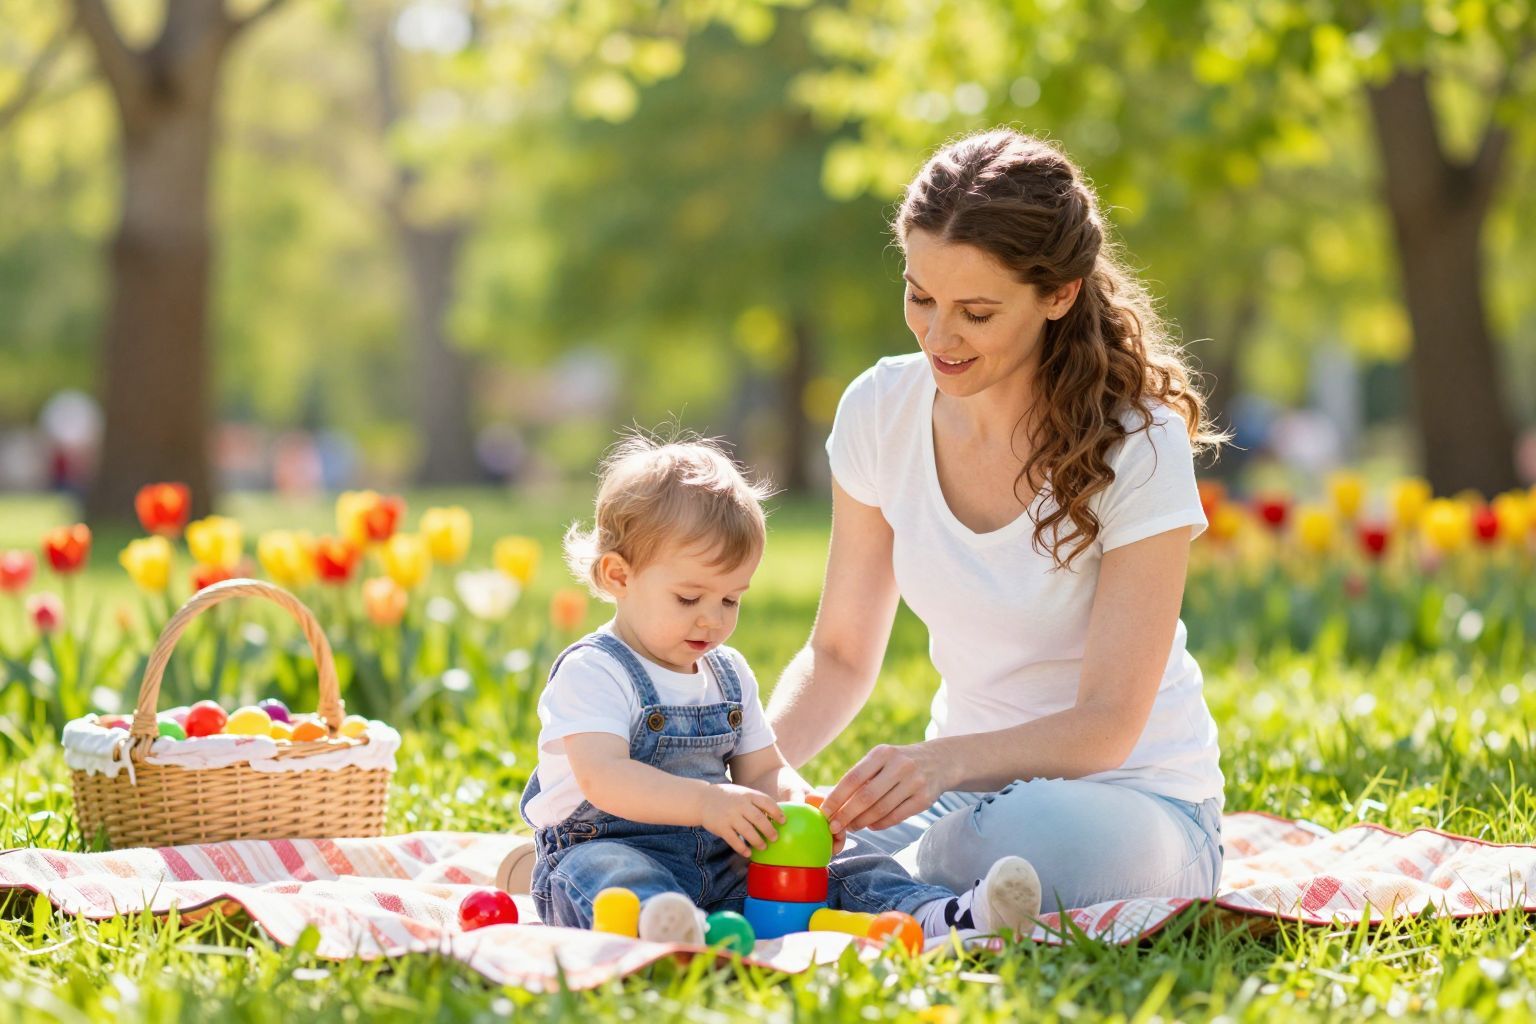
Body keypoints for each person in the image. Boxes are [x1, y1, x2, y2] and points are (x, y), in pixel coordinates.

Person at [766, 128, 1228, 914]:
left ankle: (892, 877)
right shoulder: (880, 410)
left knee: (1022, 837)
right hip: (959, 803)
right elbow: (839, 654)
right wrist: (755, 774)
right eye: (920, 297)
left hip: (1130, 806)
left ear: (1059, 295)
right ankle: (914, 886)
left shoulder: (1136, 440)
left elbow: (1108, 723)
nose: (938, 336)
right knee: (765, 831)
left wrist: (941, 763)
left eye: (976, 312)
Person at [518, 434, 1041, 942]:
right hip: (607, 845)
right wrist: (707, 802)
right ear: (618, 576)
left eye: (730, 600)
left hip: (720, 862)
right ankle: (664, 927)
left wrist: (798, 803)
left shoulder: (726, 673)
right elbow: (604, 777)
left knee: (846, 862)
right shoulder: (595, 671)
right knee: (609, 871)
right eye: (689, 598)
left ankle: (938, 916)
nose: (713, 620)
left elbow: (764, 769)